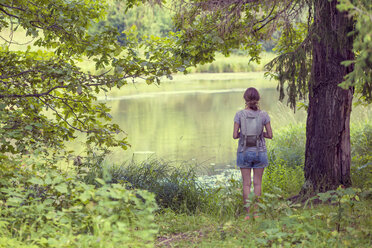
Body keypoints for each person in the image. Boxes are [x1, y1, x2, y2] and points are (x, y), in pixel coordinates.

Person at [233, 87, 273, 220]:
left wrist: (244, 134)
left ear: (245, 99)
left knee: (246, 184)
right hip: (260, 152)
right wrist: (261, 134)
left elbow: (234, 135)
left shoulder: (239, 115)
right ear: (258, 99)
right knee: (257, 183)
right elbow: (270, 135)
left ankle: (248, 215)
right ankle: (256, 213)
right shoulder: (263, 115)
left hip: (243, 152)